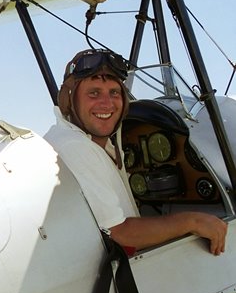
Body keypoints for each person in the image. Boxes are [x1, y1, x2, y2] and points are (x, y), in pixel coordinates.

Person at [44, 48, 227, 255]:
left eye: (114, 92)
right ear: (69, 100)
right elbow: (119, 235)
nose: (107, 103)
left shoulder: (81, 140)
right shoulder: (75, 147)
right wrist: (193, 220)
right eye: (93, 93)